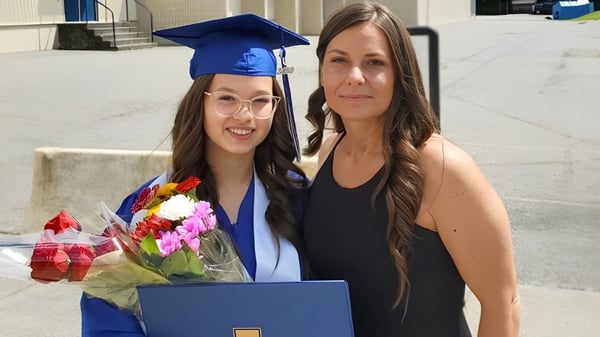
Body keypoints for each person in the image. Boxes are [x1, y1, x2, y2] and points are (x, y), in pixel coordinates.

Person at [80, 13, 309, 336]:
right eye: (226, 98)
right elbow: (108, 311)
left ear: (275, 107)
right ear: (198, 103)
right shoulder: (149, 208)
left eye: (260, 101)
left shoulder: (298, 196)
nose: (245, 115)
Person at [302, 2, 520, 337]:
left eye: (374, 63)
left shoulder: (442, 168)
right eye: (339, 61)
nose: (354, 77)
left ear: (399, 74)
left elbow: (502, 303)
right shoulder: (331, 151)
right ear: (322, 71)